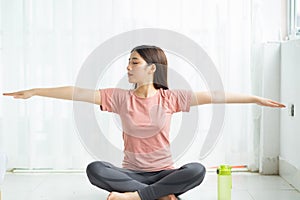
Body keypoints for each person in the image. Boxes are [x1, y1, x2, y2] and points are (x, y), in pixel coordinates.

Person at [3, 45, 285, 200]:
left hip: (165, 172)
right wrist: (36, 91)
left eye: (134, 62)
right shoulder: (118, 98)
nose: (127, 67)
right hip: (131, 174)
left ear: (151, 68)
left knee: (196, 170)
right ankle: (158, 198)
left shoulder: (171, 98)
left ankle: (133, 198)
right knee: (96, 169)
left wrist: (255, 99)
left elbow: (215, 96)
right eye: (127, 62)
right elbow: (75, 92)